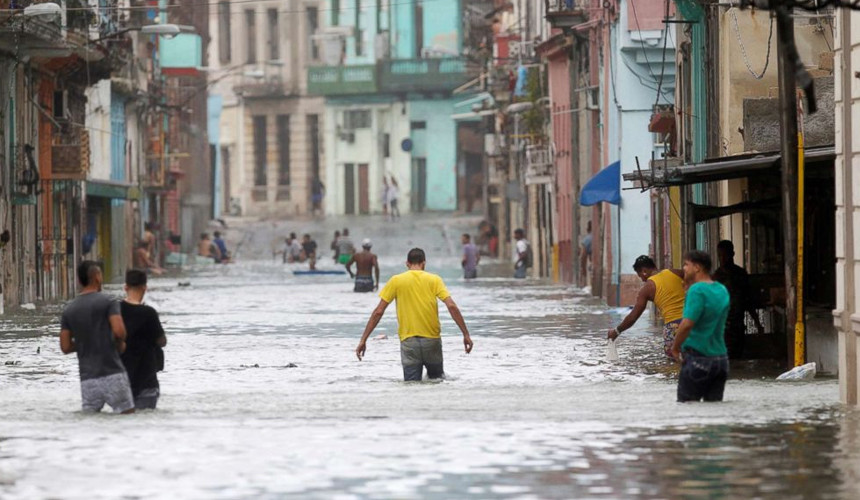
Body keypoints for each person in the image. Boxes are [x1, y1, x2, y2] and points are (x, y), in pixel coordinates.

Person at [355, 248, 474, 381]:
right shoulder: (434, 280)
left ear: (407, 264)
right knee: (436, 382)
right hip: (432, 341)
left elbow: (378, 312)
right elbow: (451, 306)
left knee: (411, 385)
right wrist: (466, 334)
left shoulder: (396, 280)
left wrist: (363, 340)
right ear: (424, 263)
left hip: (409, 342)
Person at [59, 261, 134, 414]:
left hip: (88, 379)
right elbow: (119, 332)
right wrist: (119, 343)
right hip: (113, 373)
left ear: (80, 281)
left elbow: (65, 347)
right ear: (97, 277)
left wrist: (84, 342)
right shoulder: (108, 302)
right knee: (127, 419)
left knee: (90, 422)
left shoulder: (69, 310)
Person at [670, 250, 731, 402]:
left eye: (686, 264)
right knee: (713, 412)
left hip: (699, 358)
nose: (683, 268)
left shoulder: (696, 290)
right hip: (721, 360)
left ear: (697, 267)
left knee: (688, 411)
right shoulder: (721, 289)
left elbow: (687, 324)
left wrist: (675, 347)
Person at [607, 255, 687, 358]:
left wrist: (616, 331)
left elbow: (633, 317)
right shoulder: (676, 272)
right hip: (692, 321)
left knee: (675, 364)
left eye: (640, 276)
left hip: (674, 327)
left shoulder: (647, 288)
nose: (643, 280)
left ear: (644, 271)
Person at [120, 270, 167, 410]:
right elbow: (162, 341)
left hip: (121, 380)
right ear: (145, 288)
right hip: (147, 379)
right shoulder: (149, 313)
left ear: (125, 287)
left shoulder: (115, 310)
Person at [712, 240, 764, 359]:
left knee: (737, 358)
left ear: (733, 254)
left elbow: (747, 299)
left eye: (726, 255)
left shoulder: (740, 274)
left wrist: (757, 323)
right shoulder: (716, 278)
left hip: (738, 326)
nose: (723, 259)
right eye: (720, 255)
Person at [579, 221, 592, 286]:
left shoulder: (587, 239)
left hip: (592, 267)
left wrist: (583, 271)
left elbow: (583, 256)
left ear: (588, 229)